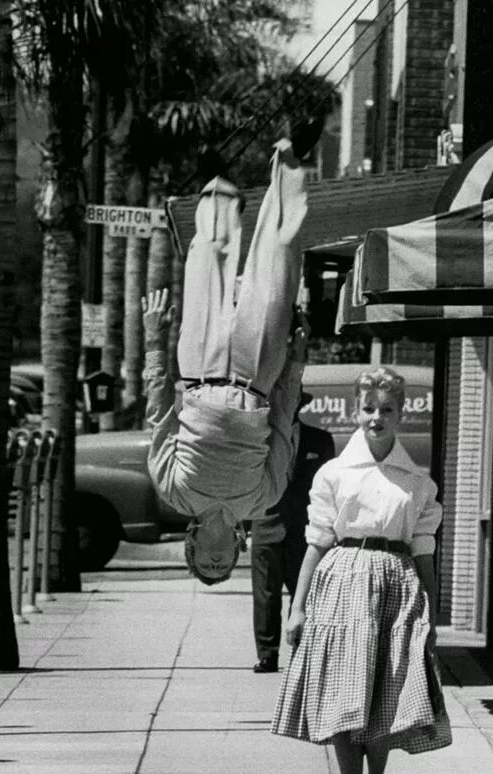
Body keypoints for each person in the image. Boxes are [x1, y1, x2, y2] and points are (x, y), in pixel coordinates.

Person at [271, 366, 452, 774]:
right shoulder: (333, 474)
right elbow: (316, 543)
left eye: (387, 410)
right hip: (341, 586)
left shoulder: (417, 483)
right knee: (343, 705)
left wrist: (431, 615)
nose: (376, 418)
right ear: (357, 410)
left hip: (397, 588)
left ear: (401, 414)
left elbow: (424, 553)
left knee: (383, 702)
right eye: (369, 409)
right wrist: (298, 607)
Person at [142, 120, 323, 586]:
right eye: (223, 568)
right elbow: (284, 424)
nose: (218, 562)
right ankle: (290, 156)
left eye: (207, 565)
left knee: (211, 253)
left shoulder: (173, 493)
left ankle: (217, 182)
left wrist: (153, 340)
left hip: (199, 367)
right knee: (280, 255)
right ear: (240, 551)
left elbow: (159, 414)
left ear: (192, 548)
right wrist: (296, 360)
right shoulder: (263, 500)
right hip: (256, 374)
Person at [251, 397, 335, 673]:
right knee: (265, 593)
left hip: (305, 529)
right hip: (266, 523)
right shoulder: (259, 439)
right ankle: (267, 653)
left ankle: (300, 649)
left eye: (294, 401)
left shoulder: (321, 440)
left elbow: (331, 488)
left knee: (304, 591)